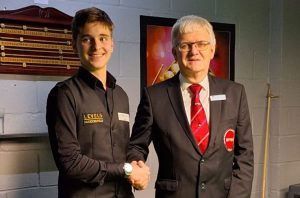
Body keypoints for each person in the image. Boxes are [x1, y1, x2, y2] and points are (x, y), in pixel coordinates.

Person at [127, 15, 254, 198]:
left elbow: (245, 157)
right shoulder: (154, 96)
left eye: (201, 44)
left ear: (212, 50)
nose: (194, 51)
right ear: (174, 52)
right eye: (185, 45)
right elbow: (136, 146)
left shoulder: (235, 93)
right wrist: (135, 164)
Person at [46, 7, 149, 198]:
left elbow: (124, 150)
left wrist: (137, 167)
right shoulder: (64, 95)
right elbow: (70, 162)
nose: (96, 46)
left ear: (112, 44)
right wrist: (126, 170)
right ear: (74, 45)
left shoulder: (120, 95)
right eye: (86, 39)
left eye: (103, 38)